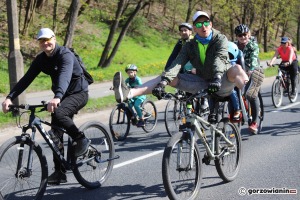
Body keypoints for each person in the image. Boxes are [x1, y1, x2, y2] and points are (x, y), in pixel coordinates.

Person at [112, 11, 264, 118]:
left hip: (222, 81)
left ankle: (248, 88)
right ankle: (129, 93)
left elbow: (219, 58)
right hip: (202, 81)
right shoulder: (190, 44)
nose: (203, 26)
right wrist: (164, 82)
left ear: (210, 24)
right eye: (199, 24)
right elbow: (178, 62)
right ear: (195, 28)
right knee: (167, 76)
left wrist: (218, 77)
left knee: (236, 68)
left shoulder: (220, 39)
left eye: (206, 23)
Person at [1, 28, 90, 185]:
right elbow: (26, 79)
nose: (45, 43)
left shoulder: (65, 55)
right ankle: (60, 173)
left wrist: (57, 97)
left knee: (60, 112)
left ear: (54, 39)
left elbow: (64, 76)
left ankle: (80, 138)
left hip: (78, 93)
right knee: (55, 132)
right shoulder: (41, 59)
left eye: (48, 39)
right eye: (42, 41)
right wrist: (10, 97)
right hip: (61, 96)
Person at [234, 24, 262, 134]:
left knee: (251, 95)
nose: (242, 37)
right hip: (240, 72)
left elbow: (254, 58)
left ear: (249, 35)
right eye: (240, 35)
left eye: (245, 35)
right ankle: (236, 113)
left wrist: (251, 69)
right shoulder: (234, 46)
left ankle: (254, 122)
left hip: (253, 70)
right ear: (236, 36)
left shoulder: (253, 45)